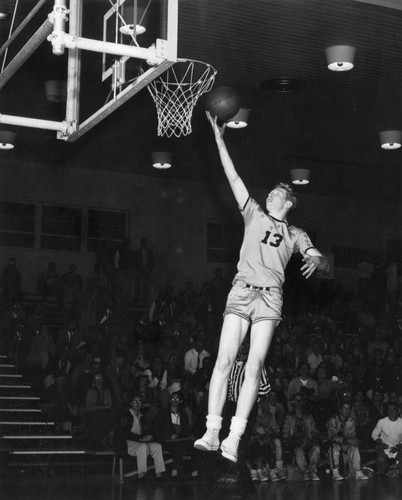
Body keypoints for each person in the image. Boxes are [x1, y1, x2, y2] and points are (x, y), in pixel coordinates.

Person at [194, 112, 329, 463]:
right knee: (224, 360)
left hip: (269, 299)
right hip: (241, 290)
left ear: (288, 202)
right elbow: (233, 176)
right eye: (269, 192)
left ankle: (234, 437)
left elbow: (321, 259)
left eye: (276, 194)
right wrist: (220, 140)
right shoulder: (252, 213)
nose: (269, 196)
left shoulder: (296, 233)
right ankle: (212, 430)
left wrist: (319, 261)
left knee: (254, 366)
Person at [116, 394, 166, 479]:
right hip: (127, 443)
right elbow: (123, 433)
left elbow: (147, 431)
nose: (138, 403)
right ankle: (141, 475)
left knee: (157, 446)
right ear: (131, 403)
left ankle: (159, 474)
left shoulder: (142, 417)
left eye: (140, 401)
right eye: (135, 401)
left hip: (140, 442)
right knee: (142, 447)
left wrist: (149, 436)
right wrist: (141, 438)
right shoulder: (125, 415)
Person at [282, 393, 321, 481]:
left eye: (300, 400)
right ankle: (305, 472)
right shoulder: (289, 417)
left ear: (303, 403)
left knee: (316, 447)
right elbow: (285, 434)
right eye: (296, 400)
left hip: (307, 441)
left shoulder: (308, 416)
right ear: (293, 402)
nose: (298, 402)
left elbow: (314, 431)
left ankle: (313, 470)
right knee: (298, 449)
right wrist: (295, 441)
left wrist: (312, 439)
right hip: (294, 442)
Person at [326, 401, 369, 481]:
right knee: (334, 447)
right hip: (332, 444)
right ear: (340, 410)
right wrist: (346, 440)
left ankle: (358, 471)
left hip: (345, 443)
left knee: (354, 447)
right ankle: (335, 472)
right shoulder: (333, 420)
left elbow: (351, 434)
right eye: (344, 408)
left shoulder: (351, 420)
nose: (346, 410)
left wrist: (353, 440)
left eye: (348, 408)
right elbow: (332, 436)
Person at [371, 402, 402, 477]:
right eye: (389, 409)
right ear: (387, 411)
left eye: (393, 409)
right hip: (384, 446)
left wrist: (399, 447)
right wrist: (382, 444)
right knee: (381, 460)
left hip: (398, 447)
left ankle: (396, 470)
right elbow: (374, 434)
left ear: (397, 410)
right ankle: (387, 469)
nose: (391, 411)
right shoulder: (382, 421)